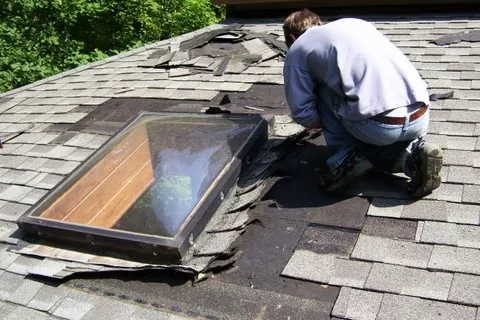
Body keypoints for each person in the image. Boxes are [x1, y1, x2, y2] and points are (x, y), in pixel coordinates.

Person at [282, 9, 443, 198]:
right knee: (373, 152)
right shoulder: (356, 24)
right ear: (319, 23)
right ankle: (413, 157)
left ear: (293, 37)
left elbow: (304, 113)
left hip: (379, 126)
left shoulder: (298, 48)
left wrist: (327, 123)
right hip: (420, 115)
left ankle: (344, 159)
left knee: (322, 89)